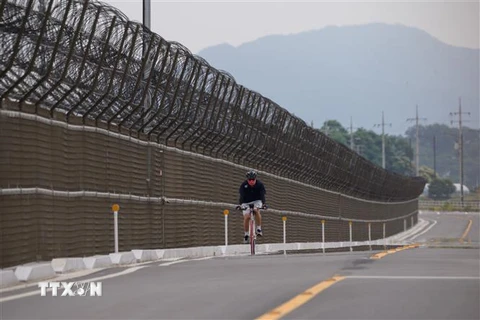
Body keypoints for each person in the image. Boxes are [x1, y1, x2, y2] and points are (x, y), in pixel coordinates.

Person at [237, 170, 267, 244]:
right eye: (249, 180)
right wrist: (240, 205)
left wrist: (263, 204)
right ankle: (246, 234)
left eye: (253, 180)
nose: (251, 181)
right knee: (247, 217)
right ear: (247, 180)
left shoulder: (260, 185)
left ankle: (259, 229)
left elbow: (262, 195)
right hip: (246, 202)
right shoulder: (243, 185)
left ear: (255, 179)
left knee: (256, 210)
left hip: (257, 201)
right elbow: (241, 196)